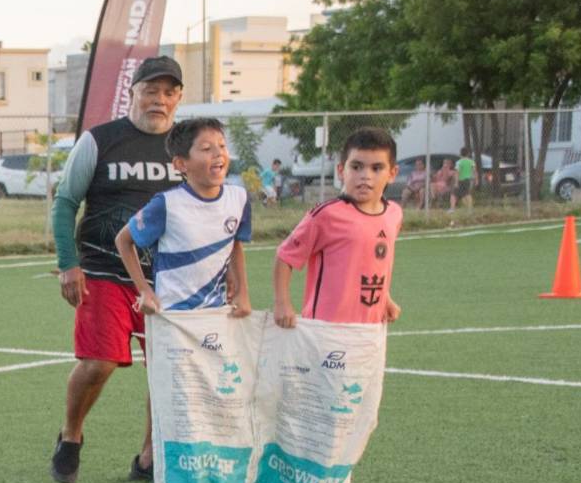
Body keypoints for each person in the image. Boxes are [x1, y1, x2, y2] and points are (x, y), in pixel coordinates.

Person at [48, 54, 185, 483]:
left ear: (178, 98)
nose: (159, 100)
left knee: (165, 368)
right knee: (100, 363)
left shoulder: (186, 147)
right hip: (104, 271)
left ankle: (148, 458)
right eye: (150, 90)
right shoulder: (100, 140)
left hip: (165, 280)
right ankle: (71, 435)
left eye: (168, 92)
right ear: (132, 93)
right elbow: (65, 202)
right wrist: (69, 264)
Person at [115, 117, 252, 321]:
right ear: (181, 164)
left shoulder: (239, 198)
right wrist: (144, 290)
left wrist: (242, 292)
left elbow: (235, 246)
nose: (218, 153)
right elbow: (123, 240)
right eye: (206, 148)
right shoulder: (167, 204)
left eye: (222, 146)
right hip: (173, 317)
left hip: (217, 314)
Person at [272, 127, 403, 329]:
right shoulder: (326, 216)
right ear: (341, 171)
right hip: (326, 330)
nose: (365, 176)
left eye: (376, 168)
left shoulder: (393, 213)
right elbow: (285, 257)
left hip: (372, 330)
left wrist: (384, 298)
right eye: (357, 167)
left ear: (392, 173)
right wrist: (282, 303)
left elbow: (375, 264)